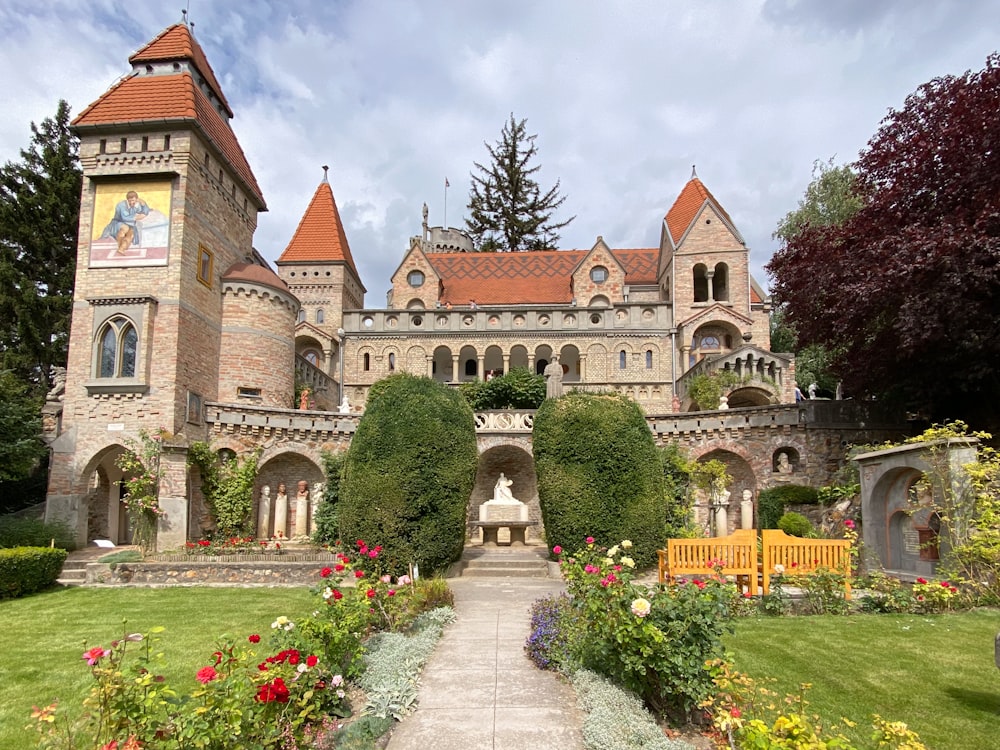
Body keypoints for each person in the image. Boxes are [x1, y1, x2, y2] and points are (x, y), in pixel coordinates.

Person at [100, 190, 150, 255]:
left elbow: (145, 212)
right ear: (127, 200)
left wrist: (144, 204)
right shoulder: (121, 205)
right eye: (130, 201)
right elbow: (125, 218)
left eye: (134, 201)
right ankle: (119, 246)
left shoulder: (136, 205)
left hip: (131, 225)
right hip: (118, 222)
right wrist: (136, 217)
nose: (132, 202)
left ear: (136, 200)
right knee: (124, 229)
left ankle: (121, 249)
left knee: (131, 235)